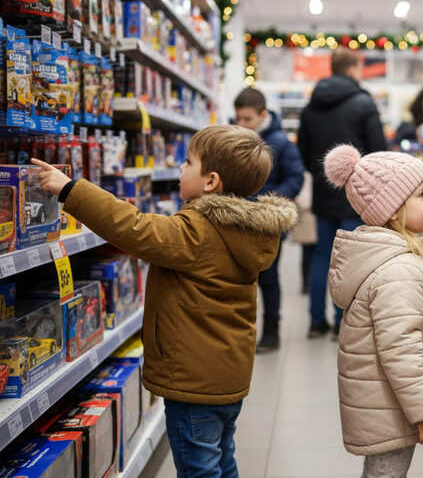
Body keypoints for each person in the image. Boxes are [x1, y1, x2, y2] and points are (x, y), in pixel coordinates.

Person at [31, 126, 297, 477]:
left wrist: (71, 189)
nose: (179, 167)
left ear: (211, 181)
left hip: (193, 383)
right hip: (226, 376)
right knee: (221, 458)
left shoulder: (198, 231)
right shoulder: (247, 232)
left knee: (199, 469)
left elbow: (135, 228)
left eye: (188, 161)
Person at [323, 144, 423, 477]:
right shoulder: (399, 270)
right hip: (393, 406)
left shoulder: (389, 256)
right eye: (421, 194)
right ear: (392, 209)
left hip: (387, 400)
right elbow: (400, 348)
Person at [297, 47, 387, 339]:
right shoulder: (364, 103)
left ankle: (314, 321)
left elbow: (304, 152)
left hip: (324, 192)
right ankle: (341, 322)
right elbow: (378, 150)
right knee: (349, 259)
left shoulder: (311, 107)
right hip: (356, 195)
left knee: (322, 255)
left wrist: (325, 175)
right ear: (352, 69)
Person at [234, 87, 304, 352]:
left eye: (248, 119)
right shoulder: (235, 140)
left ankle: (271, 329)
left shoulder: (282, 144)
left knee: (269, 277)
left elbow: (295, 178)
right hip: (238, 219)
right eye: (238, 118)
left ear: (263, 115)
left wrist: (267, 202)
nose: (242, 124)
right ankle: (243, 330)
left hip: (268, 221)